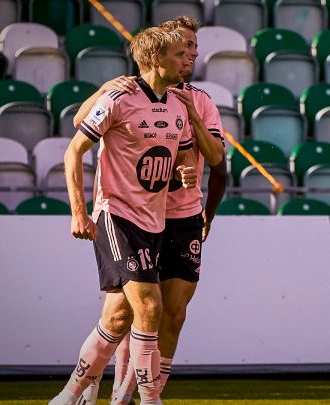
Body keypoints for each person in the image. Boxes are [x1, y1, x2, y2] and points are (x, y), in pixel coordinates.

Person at [73, 17, 228, 405]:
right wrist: (104, 88)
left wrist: (194, 182)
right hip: (133, 209)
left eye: (193, 47)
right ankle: (97, 391)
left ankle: (129, 396)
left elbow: (216, 161)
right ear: (161, 53)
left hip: (180, 214)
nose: (191, 54)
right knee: (133, 312)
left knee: (168, 313)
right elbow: (81, 127)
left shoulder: (197, 101)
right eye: (184, 48)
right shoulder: (125, 92)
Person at [49, 27, 198, 405]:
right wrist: (79, 213)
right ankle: (149, 400)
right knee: (150, 306)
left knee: (117, 319)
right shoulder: (118, 97)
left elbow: (179, 152)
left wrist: (185, 168)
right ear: (155, 59)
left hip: (156, 220)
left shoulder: (179, 105)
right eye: (180, 54)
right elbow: (73, 151)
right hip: (116, 214)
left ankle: (69, 395)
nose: (187, 60)